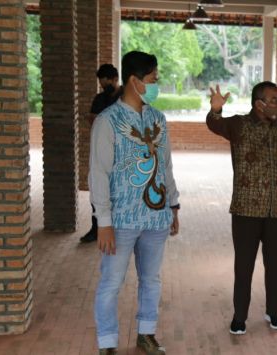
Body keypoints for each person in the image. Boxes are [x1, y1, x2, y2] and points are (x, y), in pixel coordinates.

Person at [90, 51, 180, 355]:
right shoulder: (108, 121)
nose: (156, 84)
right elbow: (98, 173)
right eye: (153, 78)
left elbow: (165, 165)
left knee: (151, 279)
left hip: (156, 218)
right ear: (134, 80)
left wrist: (174, 205)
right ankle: (107, 342)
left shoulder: (157, 118)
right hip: (121, 220)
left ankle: (146, 333)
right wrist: (103, 222)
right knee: (111, 283)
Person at [206, 81, 277, 335]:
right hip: (246, 210)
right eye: (273, 99)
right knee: (244, 266)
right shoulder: (239, 125)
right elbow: (215, 124)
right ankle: (240, 317)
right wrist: (215, 110)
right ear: (258, 103)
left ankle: (274, 311)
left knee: (276, 265)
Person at [81, 64, 123, 243]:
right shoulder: (99, 99)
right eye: (101, 83)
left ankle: (119, 227)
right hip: (102, 148)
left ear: (115, 79)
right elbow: (93, 119)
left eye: (106, 82)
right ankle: (96, 227)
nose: (104, 86)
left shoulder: (123, 98)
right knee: (98, 187)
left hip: (121, 151)